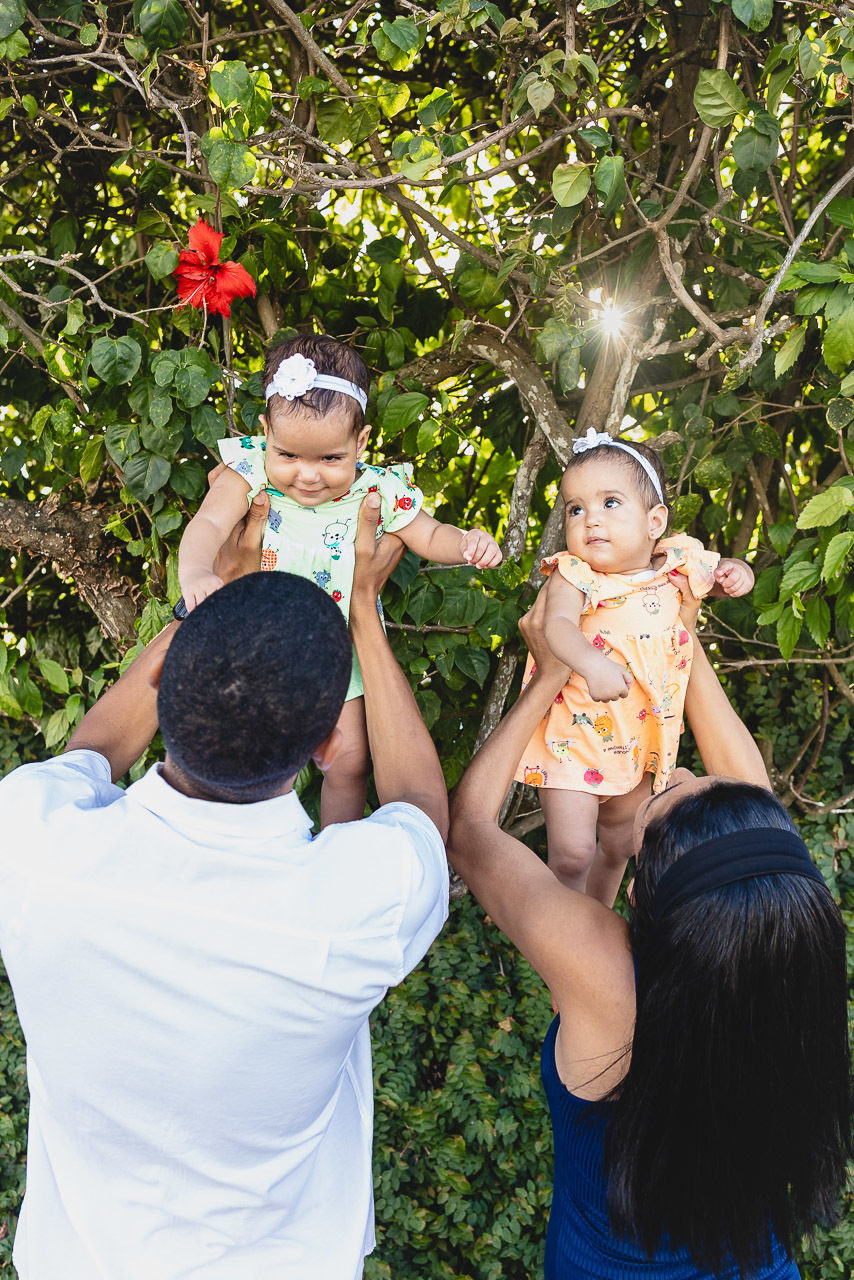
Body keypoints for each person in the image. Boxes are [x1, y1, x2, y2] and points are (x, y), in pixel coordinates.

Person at [0, 492, 450, 1280]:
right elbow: (418, 812)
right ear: (326, 745)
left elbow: (91, 751)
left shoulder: (30, 844)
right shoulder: (354, 908)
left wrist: (203, 600)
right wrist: (366, 616)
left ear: (160, 676)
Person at [449, 575, 851, 1279]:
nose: (680, 767)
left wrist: (549, 676)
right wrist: (675, 631)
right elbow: (748, 803)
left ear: (639, 895)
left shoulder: (606, 976)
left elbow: (472, 831)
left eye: (662, 796)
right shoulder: (785, 931)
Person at [178, 333, 502, 828]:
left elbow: (430, 533)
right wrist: (197, 571)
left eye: (330, 459)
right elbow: (207, 525)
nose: (308, 476)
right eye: (288, 456)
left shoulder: (378, 489)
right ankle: (245, 840)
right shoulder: (249, 469)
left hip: (339, 650)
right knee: (251, 754)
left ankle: (336, 845)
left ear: (361, 443)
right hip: (255, 646)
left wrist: (467, 544)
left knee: (349, 763)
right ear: (265, 433)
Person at [515, 427, 754, 903]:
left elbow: (719, 578)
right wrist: (591, 663)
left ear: (654, 521)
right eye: (575, 509)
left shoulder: (677, 563)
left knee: (622, 845)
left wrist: (736, 573)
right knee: (572, 854)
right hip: (574, 738)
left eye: (610, 503)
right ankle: (563, 926)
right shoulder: (575, 574)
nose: (590, 520)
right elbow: (555, 626)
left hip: (642, 738)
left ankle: (599, 916)